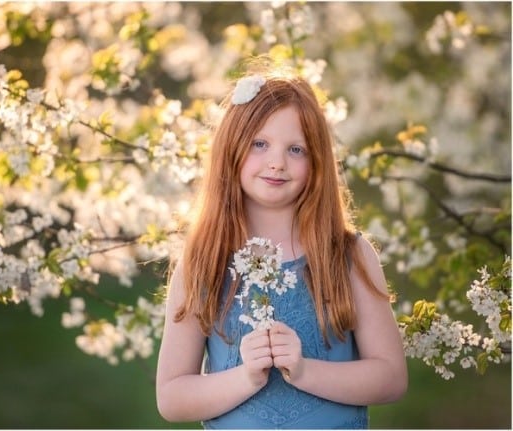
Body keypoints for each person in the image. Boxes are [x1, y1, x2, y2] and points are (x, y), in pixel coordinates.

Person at [155, 64, 408, 429]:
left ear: (317, 161)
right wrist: (246, 377)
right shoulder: (203, 261)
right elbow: (172, 397)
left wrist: (305, 370)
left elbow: (391, 379)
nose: (277, 162)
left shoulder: (348, 255)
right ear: (232, 148)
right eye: (260, 144)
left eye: (296, 149)